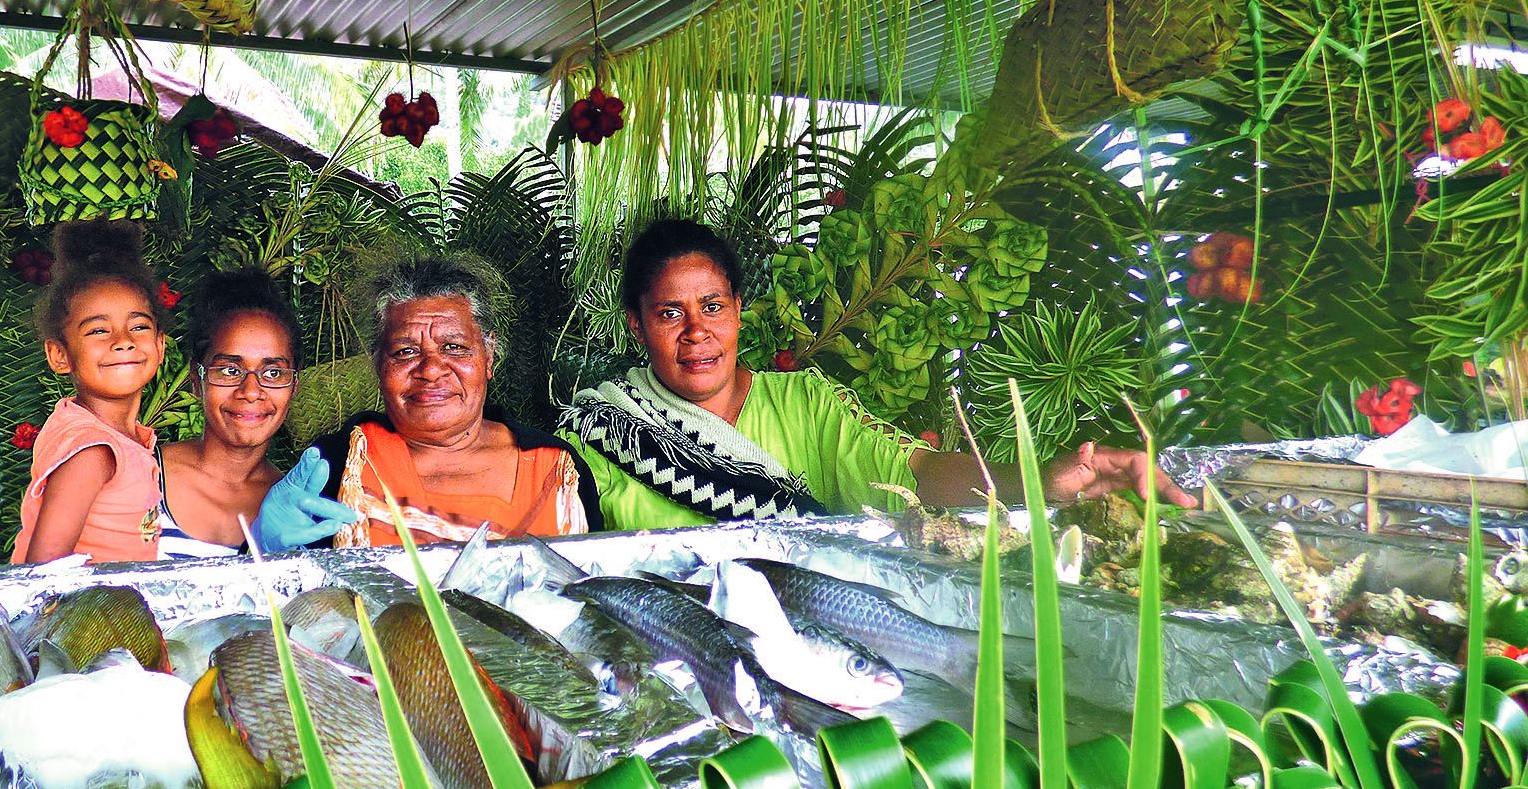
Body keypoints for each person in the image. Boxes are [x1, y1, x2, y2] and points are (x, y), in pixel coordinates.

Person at [560, 218, 1198, 531]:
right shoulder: (600, 434)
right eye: (670, 312)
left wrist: (1039, 481)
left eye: (713, 306)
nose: (696, 331)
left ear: (738, 312)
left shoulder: (806, 404)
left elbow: (915, 474)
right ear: (637, 325)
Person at [307, 253, 602, 545]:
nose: (432, 370)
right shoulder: (334, 465)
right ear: (378, 365)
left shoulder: (556, 469)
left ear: (488, 356)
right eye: (405, 352)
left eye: (454, 347)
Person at [154, 269, 356, 556]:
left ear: (294, 384)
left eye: (273, 372)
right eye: (229, 370)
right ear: (196, 379)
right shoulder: (141, 475)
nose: (250, 391)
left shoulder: (297, 508)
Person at [12, 222, 167, 564]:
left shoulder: (118, 437)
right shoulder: (93, 450)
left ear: (160, 344)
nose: (123, 340)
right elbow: (44, 572)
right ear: (60, 355)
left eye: (139, 326)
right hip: (84, 617)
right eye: (98, 330)